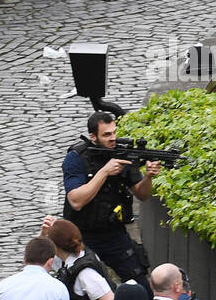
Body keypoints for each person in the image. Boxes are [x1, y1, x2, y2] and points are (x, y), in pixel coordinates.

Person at [62, 111, 162, 289]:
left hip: (112, 233)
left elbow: (142, 194)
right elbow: (76, 201)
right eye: (106, 134)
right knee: (80, 288)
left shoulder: (122, 153)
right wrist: (105, 172)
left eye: (114, 132)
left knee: (141, 286)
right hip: (81, 236)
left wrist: (148, 177)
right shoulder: (76, 157)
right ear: (93, 136)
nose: (113, 138)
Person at [42, 216, 116, 300]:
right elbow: (39, 260)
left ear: (56, 248)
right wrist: (43, 234)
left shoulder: (85, 273)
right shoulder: (70, 258)